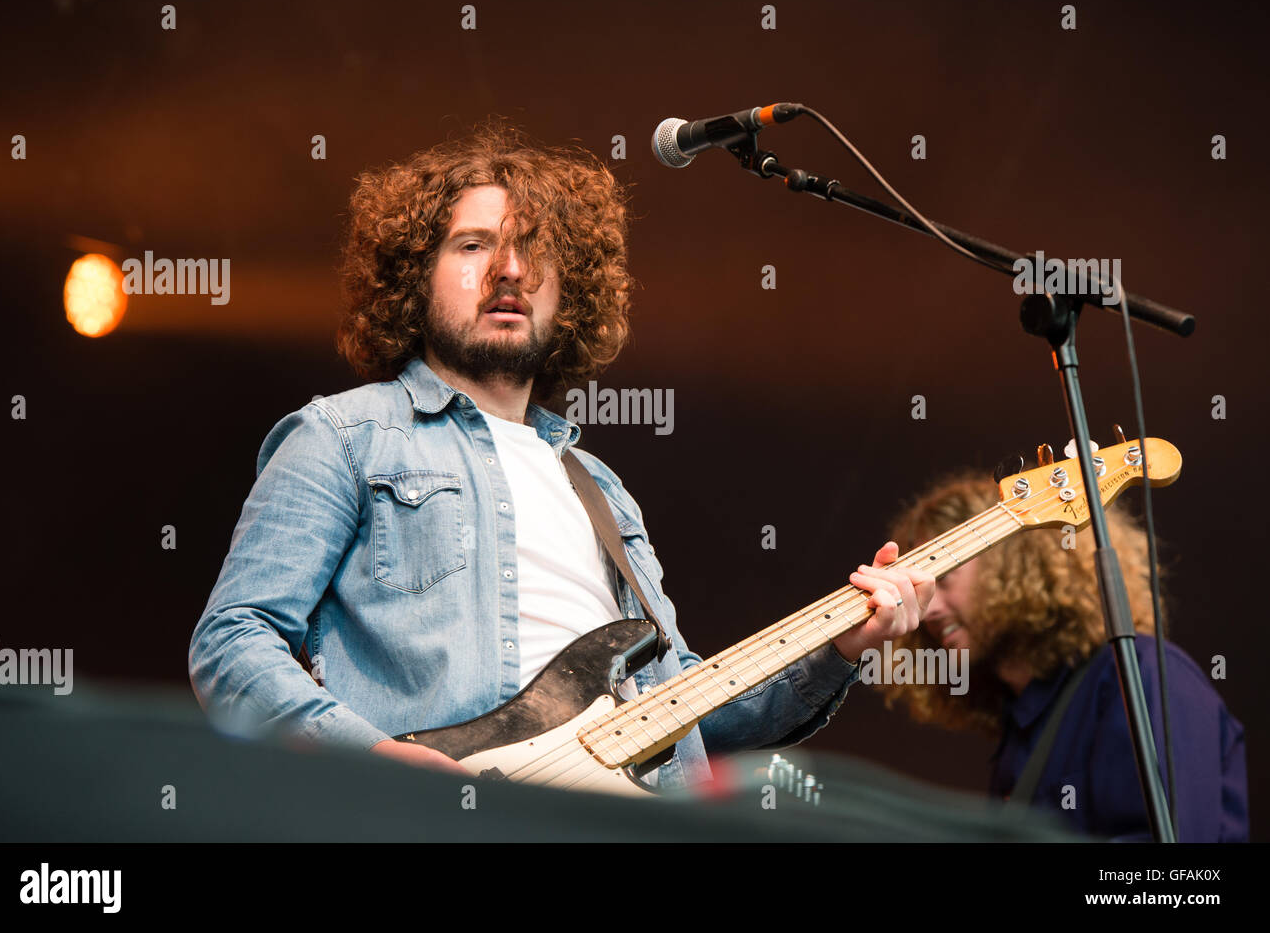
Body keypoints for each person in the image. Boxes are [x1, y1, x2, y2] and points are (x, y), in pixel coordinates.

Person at [187, 120, 934, 791]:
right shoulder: (343, 435)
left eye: (533, 250)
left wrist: (840, 645)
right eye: (474, 245)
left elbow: (681, 713)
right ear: (414, 282)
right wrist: (374, 760)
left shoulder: (601, 491)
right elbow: (231, 643)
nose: (509, 270)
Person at [877, 469, 1248, 841]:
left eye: (943, 576)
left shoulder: (1141, 674)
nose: (929, 608)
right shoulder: (1022, 720)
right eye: (918, 591)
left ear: (1008, 561)